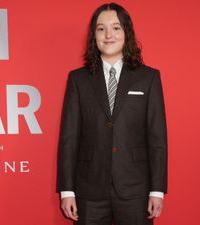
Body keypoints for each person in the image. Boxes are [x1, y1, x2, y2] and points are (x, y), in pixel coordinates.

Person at [57, 2, 168, 225]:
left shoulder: (149, 78)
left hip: (136, 189)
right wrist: (67, 190)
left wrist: (157, 190)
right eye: (101, 28)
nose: (108, 35)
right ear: (94, 36)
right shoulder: (78, 79)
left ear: (126, 32)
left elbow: (157, 138)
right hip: (89, 189)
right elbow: (69, 137)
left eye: (116, 28)